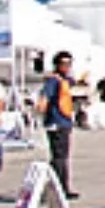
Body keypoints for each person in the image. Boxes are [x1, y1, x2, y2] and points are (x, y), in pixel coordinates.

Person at [37, 50, 77, 197]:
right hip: (56, 123)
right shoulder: (53, 81)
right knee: (59, 158)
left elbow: (74, 83)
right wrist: (41, 106)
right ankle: (58, 188)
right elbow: (45, 96)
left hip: (65, 122)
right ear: (57, 65)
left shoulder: (64, 80)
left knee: (63, 157)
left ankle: (61, 187)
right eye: (64, 64)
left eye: (69, 64)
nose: (67, 66)